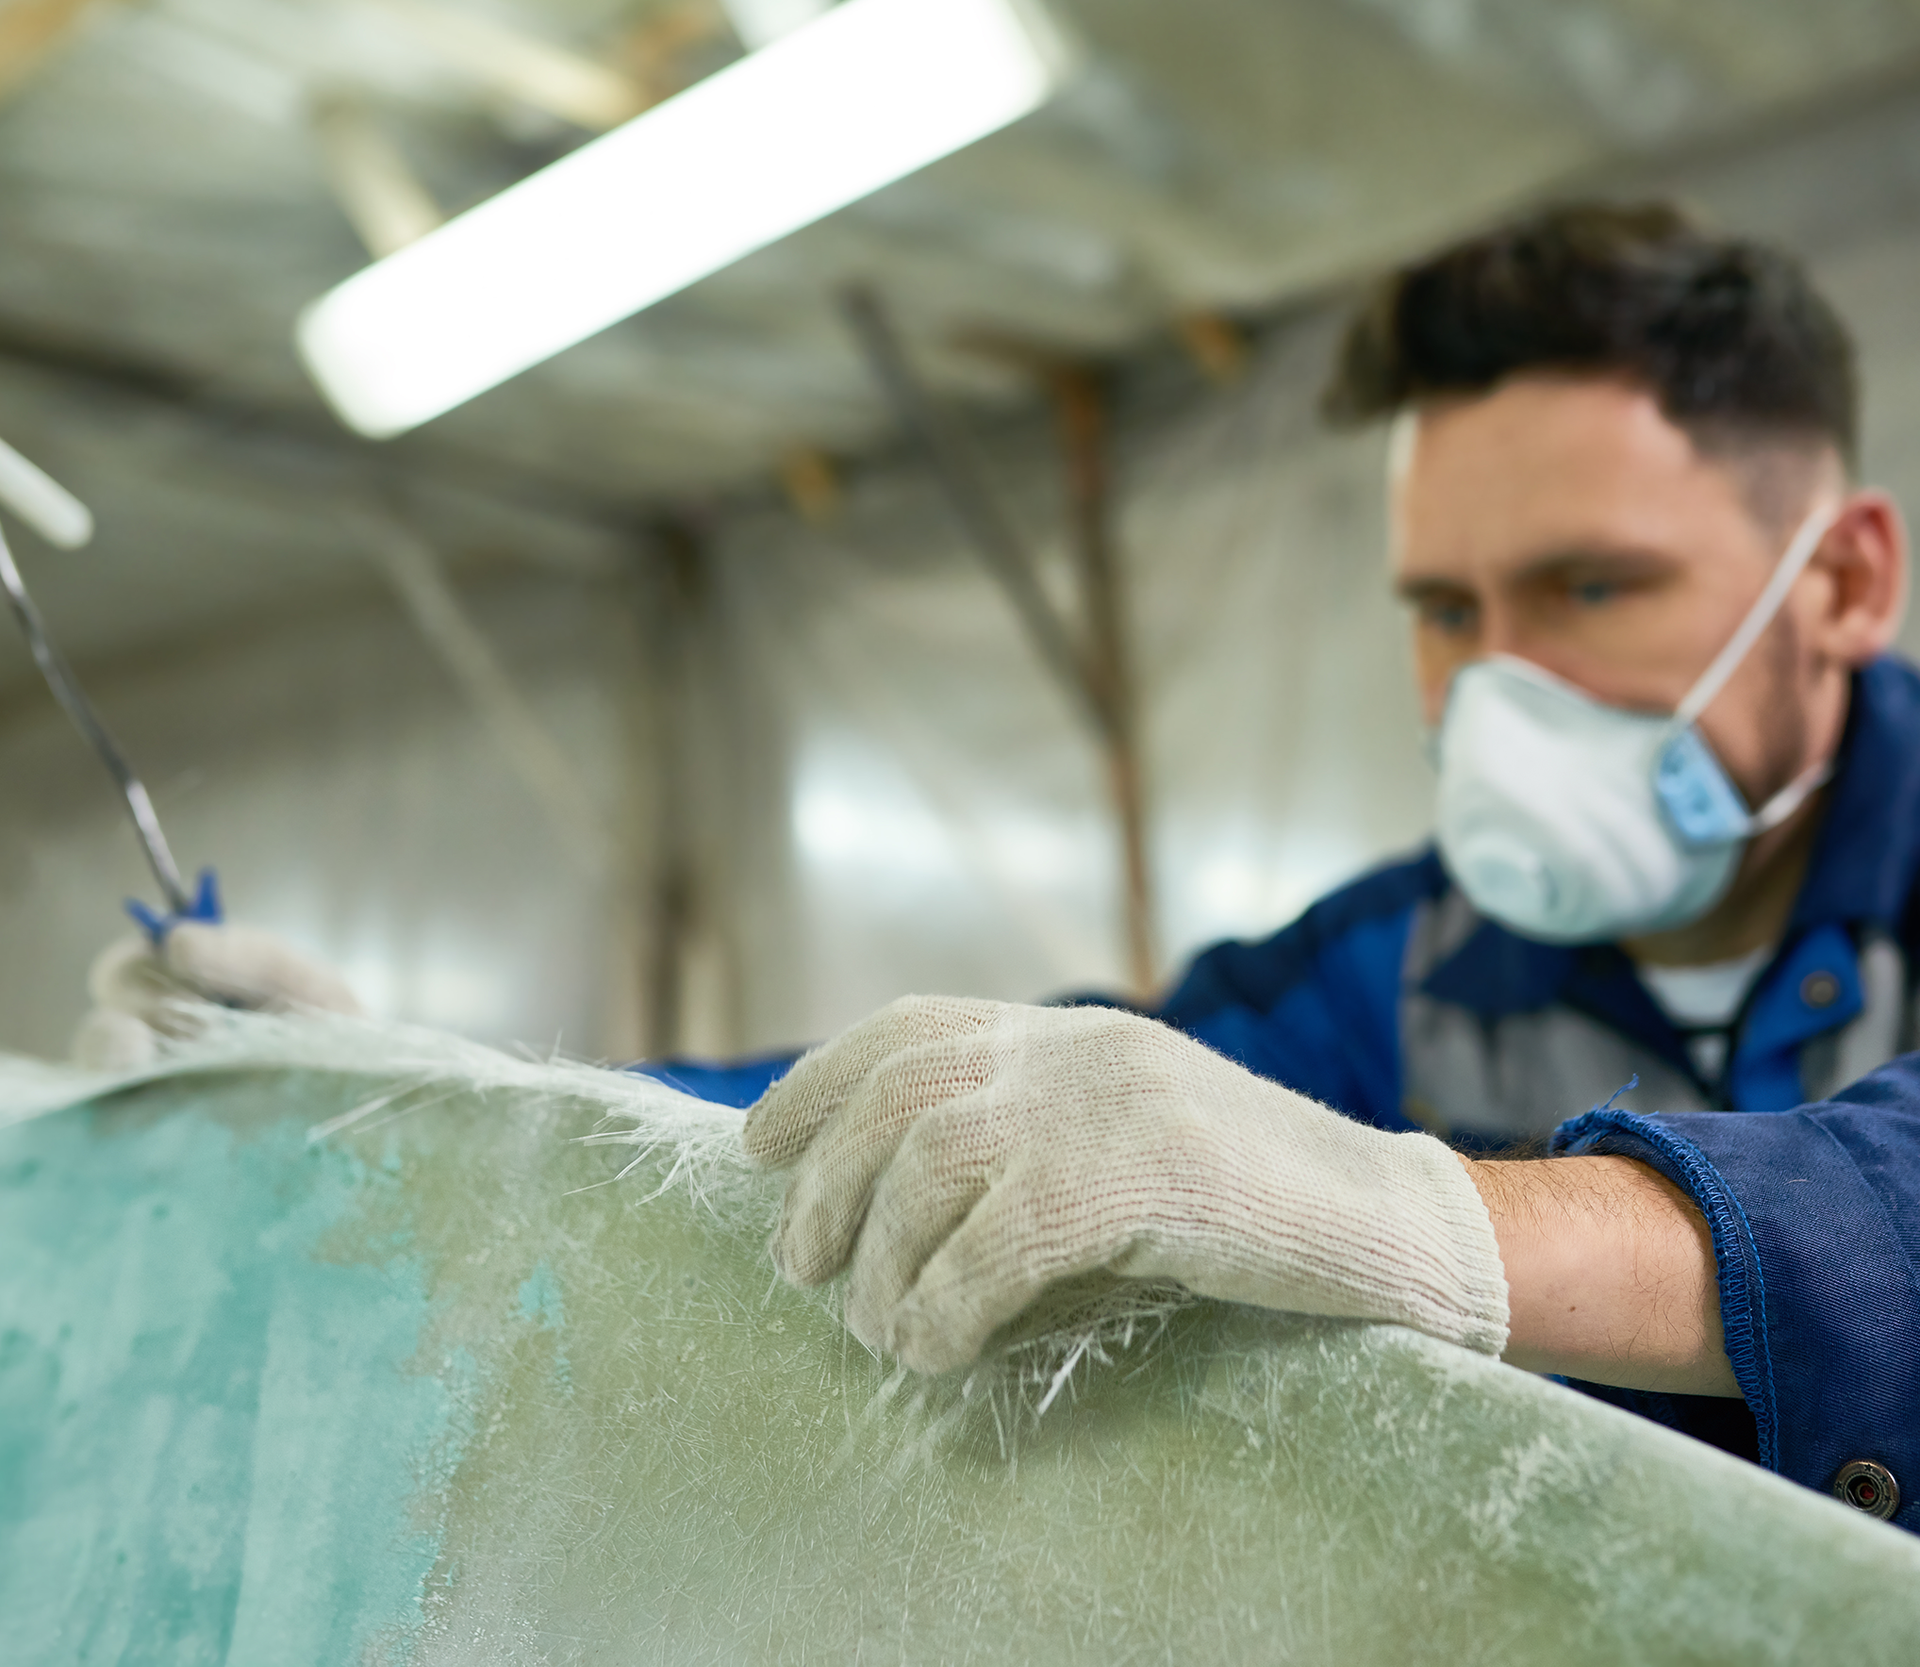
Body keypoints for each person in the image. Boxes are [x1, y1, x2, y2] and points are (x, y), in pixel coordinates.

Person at [88, 203, 1920, 1529]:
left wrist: (1430, 1217)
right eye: (1445, 609)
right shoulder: (1402, 967)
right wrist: (422, 1079)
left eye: (1591, 587)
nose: (1495, 685)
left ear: (1838, 581)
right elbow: (911, 1119)